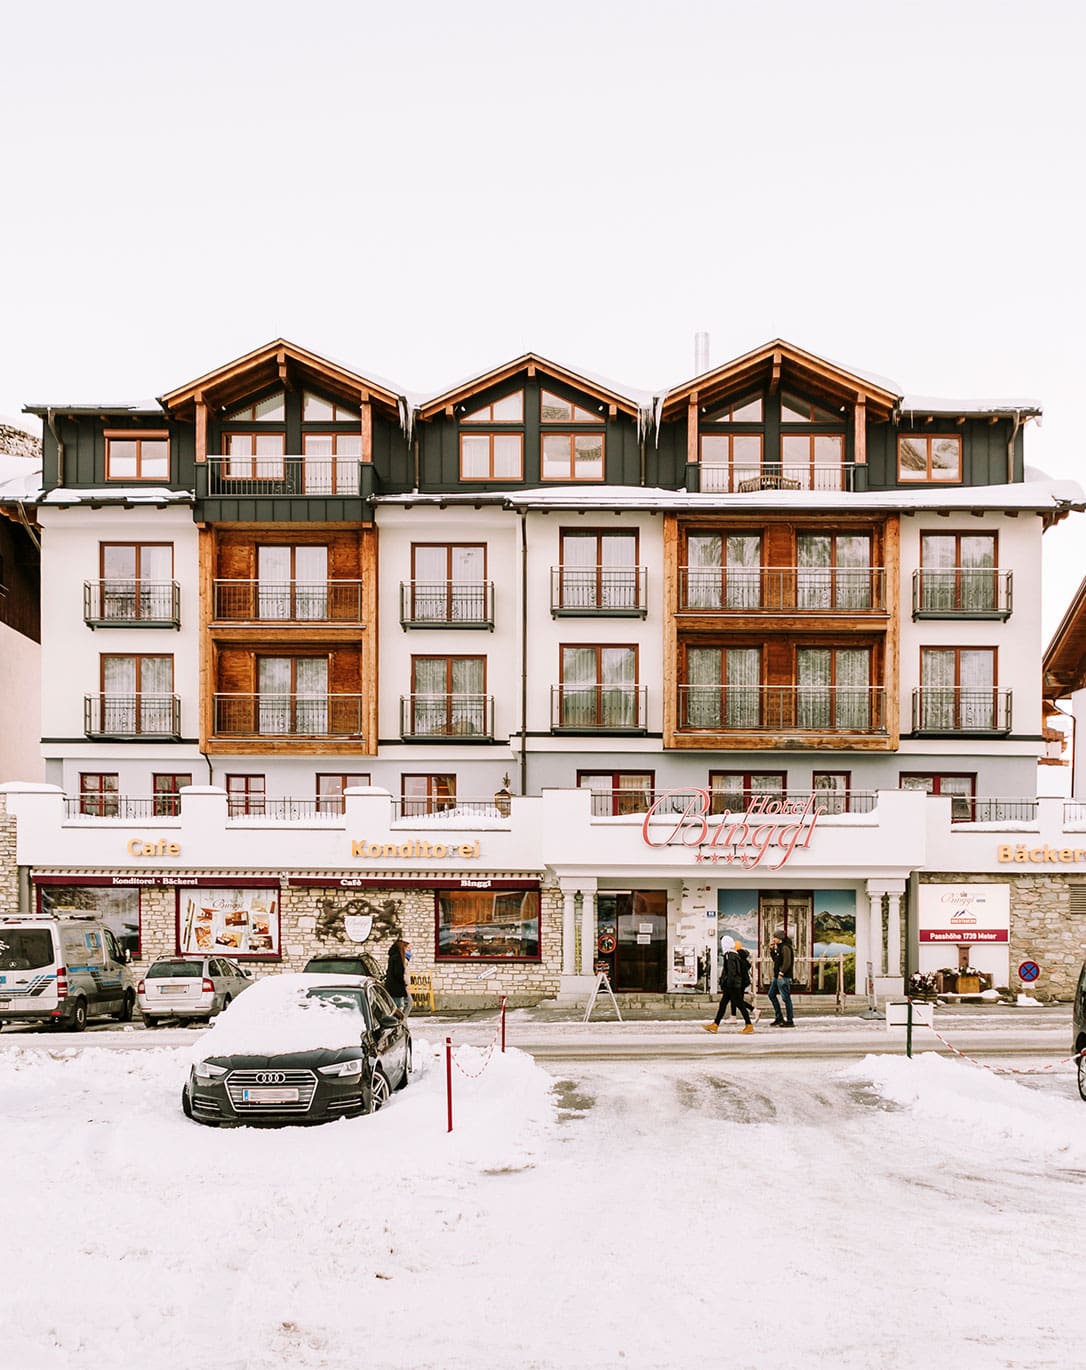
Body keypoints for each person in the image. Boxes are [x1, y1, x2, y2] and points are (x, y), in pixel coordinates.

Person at [703, 935, 754, 1033]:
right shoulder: (734, 954)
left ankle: (749, 1025)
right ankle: (715, 1024)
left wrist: (727, 983)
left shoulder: (729, 955)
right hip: (733, 984)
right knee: (724, 1004)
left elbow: (731, 971)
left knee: (739, 1004)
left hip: (732, 985)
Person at [768, 929, 795, 1027]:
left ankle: (790, 1020)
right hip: (777, 976)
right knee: (771, 994)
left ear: (780, 938)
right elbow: (776, 960)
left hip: (783, 977)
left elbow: (787, 962)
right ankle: (779, 1017)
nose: (773, 939)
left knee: (786, 998)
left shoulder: (785, 947)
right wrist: (772, 951)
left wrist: (782, 973)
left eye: (775, 937)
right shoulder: (780, 947)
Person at [386, 936, 412, 1016]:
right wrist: (403, 982)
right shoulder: (398, 957)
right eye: (407, 947)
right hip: (397, 987)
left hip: (394, 986)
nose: (409, 949)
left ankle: (401, 1021)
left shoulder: (393, 956)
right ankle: (401, 1022)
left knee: (400, 1005)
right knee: (399, 1007)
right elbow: (398, 973)